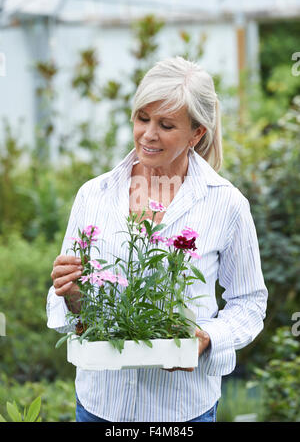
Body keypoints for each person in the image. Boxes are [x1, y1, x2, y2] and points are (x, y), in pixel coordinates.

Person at [47, 56, 268, 423]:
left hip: (182, 411)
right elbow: (74, 304)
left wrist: (206, 337)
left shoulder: (225, 203)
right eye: (142, 118)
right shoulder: (94, 195)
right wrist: (71, 296)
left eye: (166, 125)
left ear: (197, 133)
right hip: (101, 406)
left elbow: (249, 303)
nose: (148, 135)